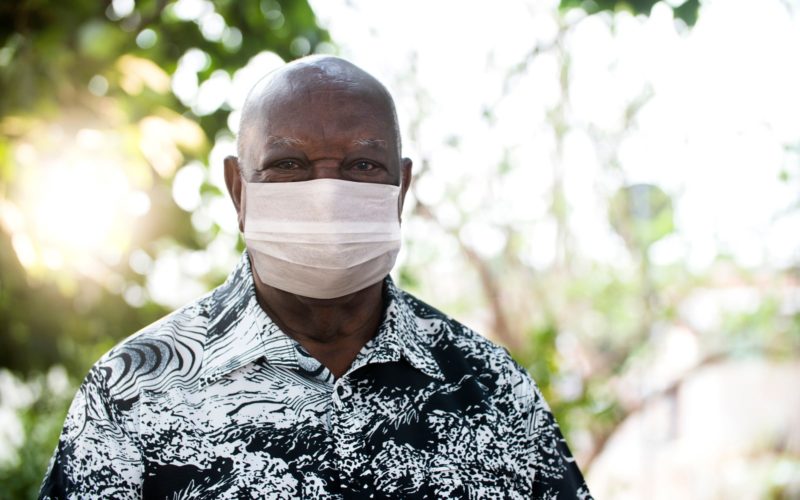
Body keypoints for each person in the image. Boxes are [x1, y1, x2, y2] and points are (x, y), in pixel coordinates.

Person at [40, 56, 592, 499]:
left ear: (400, 189)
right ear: (238, 190)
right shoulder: (133, 391)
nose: (326, 197)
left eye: (361, 166)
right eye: (288, 165)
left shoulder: (492, 388)